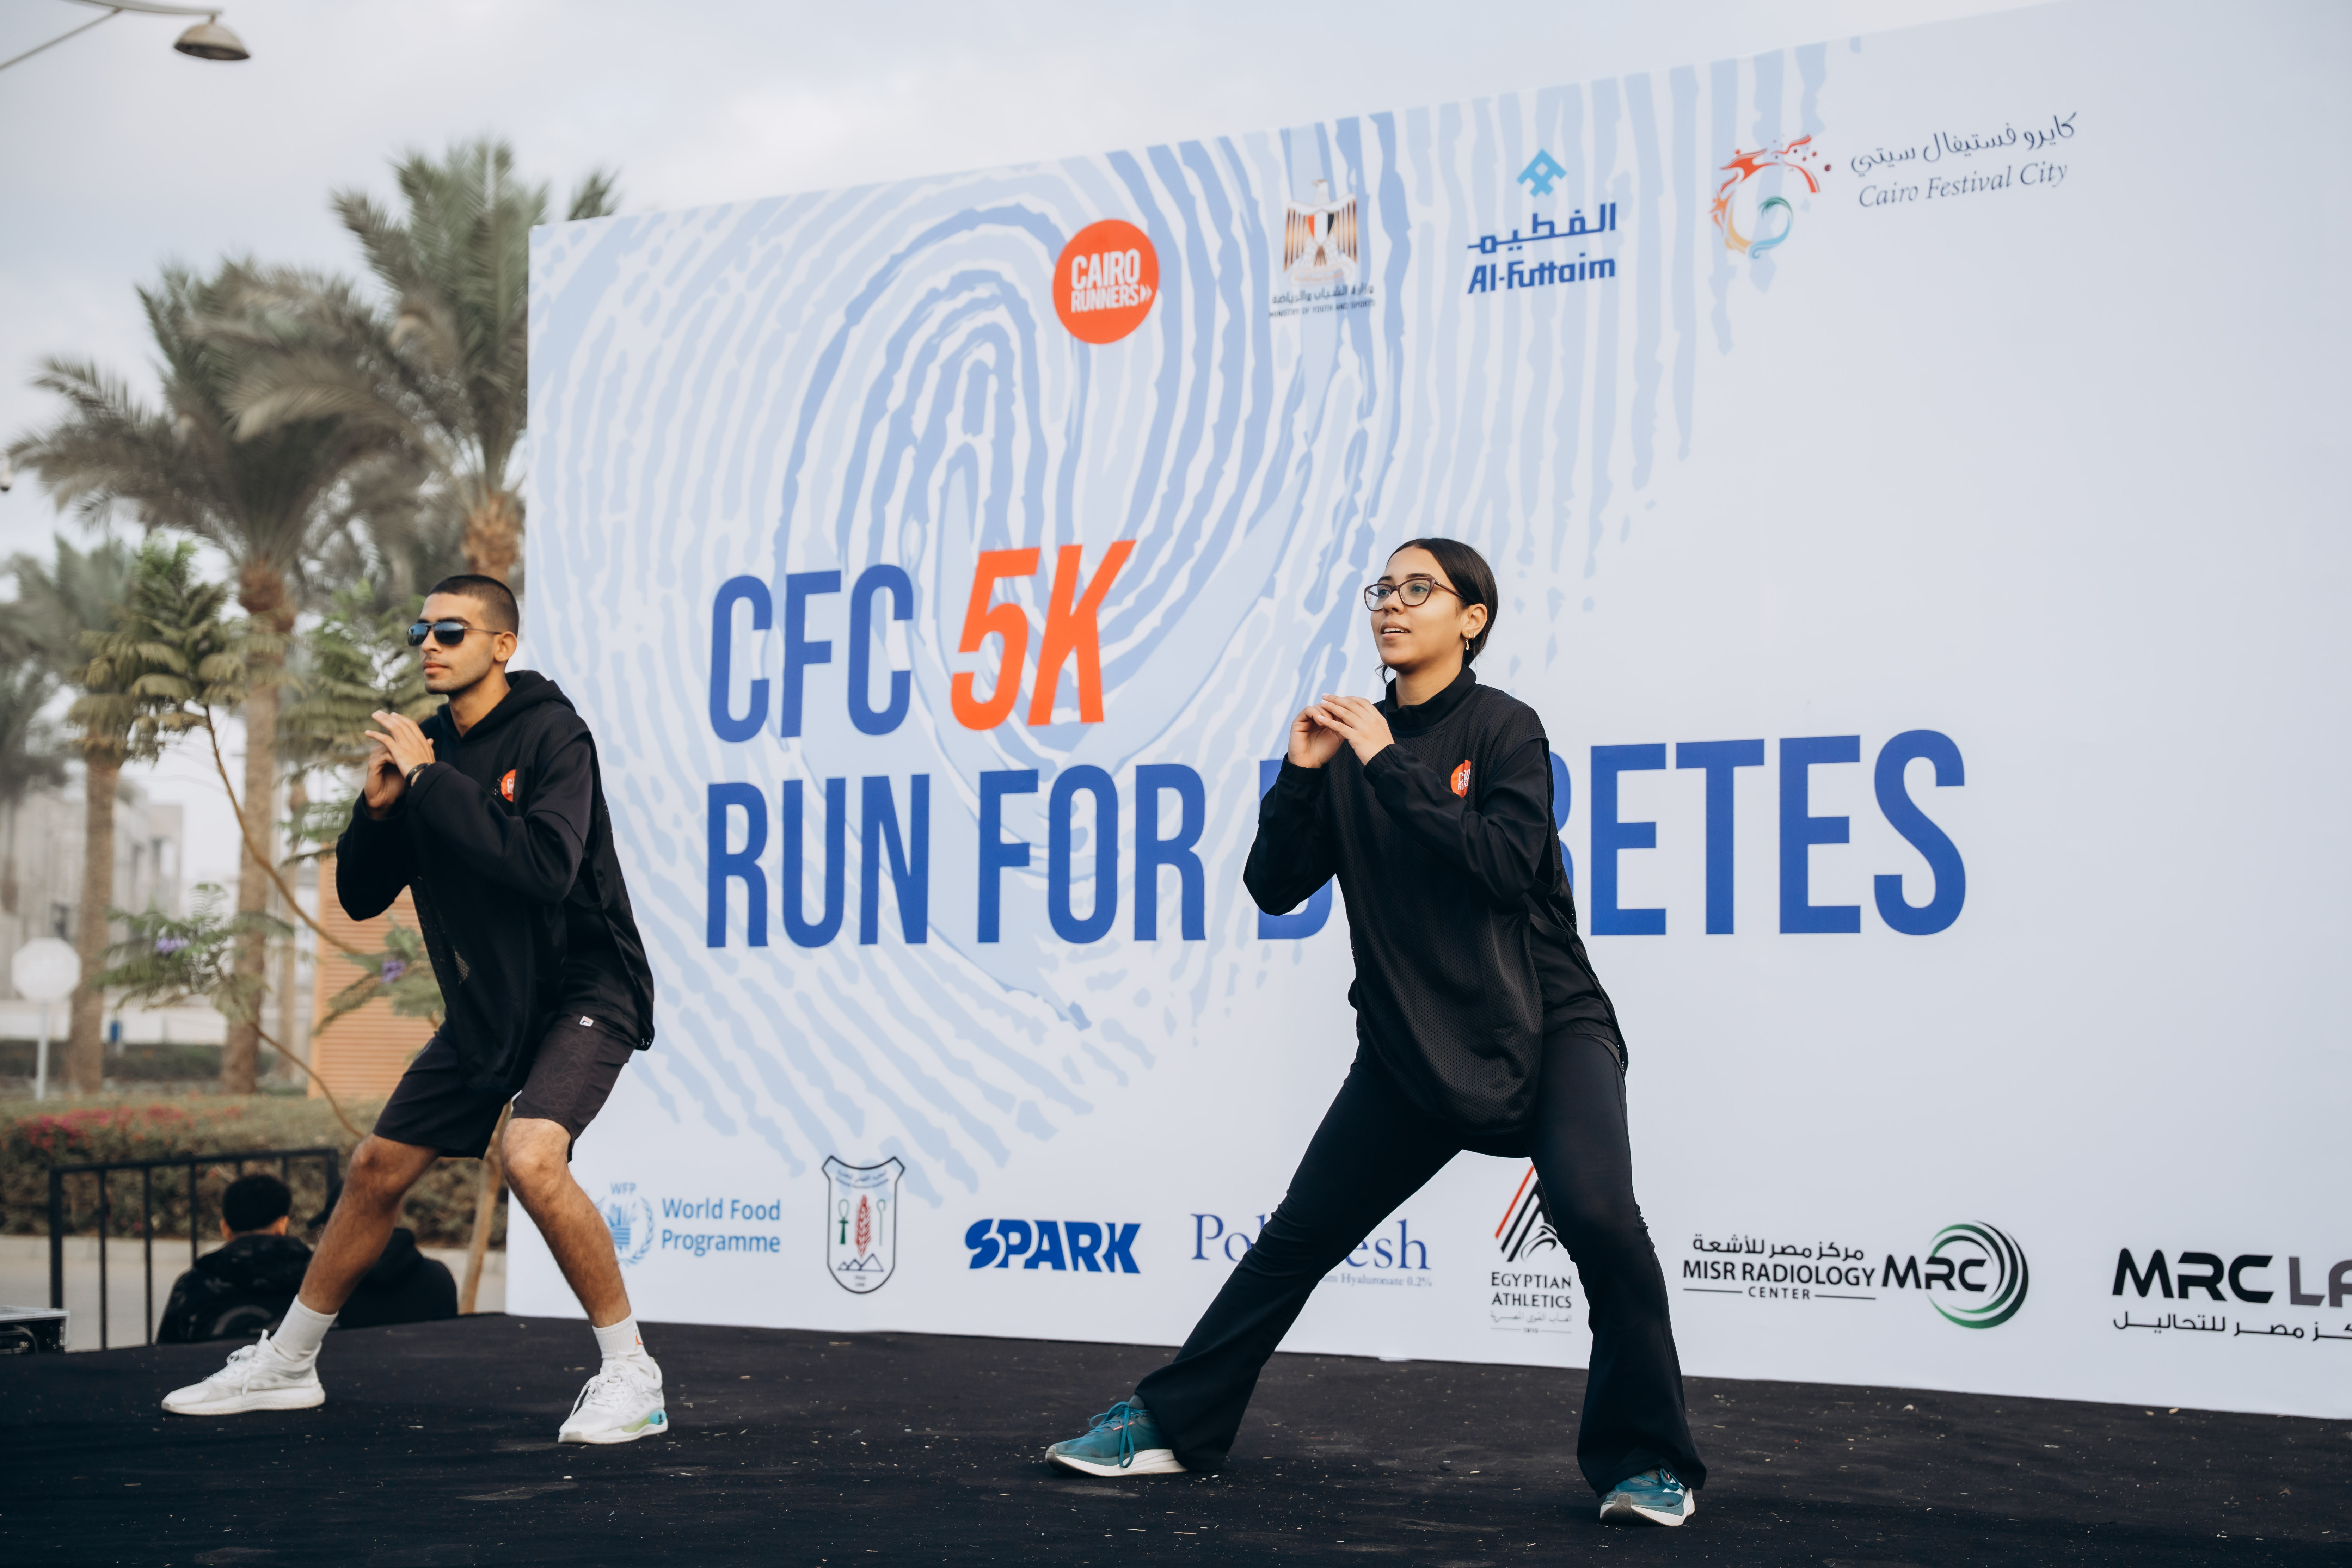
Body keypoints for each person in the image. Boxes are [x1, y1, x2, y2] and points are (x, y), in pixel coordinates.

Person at [1042, 539, 1707, 1527]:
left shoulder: (1503, 727)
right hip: (1412, 1040)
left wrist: (1387, 764)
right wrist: (1302, 774)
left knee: (1601, 1219)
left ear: (1471, 619)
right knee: (1298, 1236)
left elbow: (1504, 863)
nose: (1391, 605)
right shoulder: (1351, 745)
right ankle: (1171, 1422)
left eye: (1417, 589)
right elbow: (1275, 887)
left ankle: (1649, 1461)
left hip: (1547, 1022)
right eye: (1382, 590)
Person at [162, 574, 664, 1445]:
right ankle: (288, 1362)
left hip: (588, 986)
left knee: (530, 1156)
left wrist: (432, 781)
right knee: (375, 1168)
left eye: (451, 630)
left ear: (502, 646)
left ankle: (632, 1373)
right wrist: (379, 808)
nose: (429, 643)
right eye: (420, 631)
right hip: (491, 1002)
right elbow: (362, 896)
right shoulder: (423, 748)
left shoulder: (553, 733)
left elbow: (547, 866)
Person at [156, 1174, 311, 1345]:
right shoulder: (314, 1276)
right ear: (282, 1224)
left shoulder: (192, 1283)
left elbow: (165, 1351)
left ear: (226, 1229)